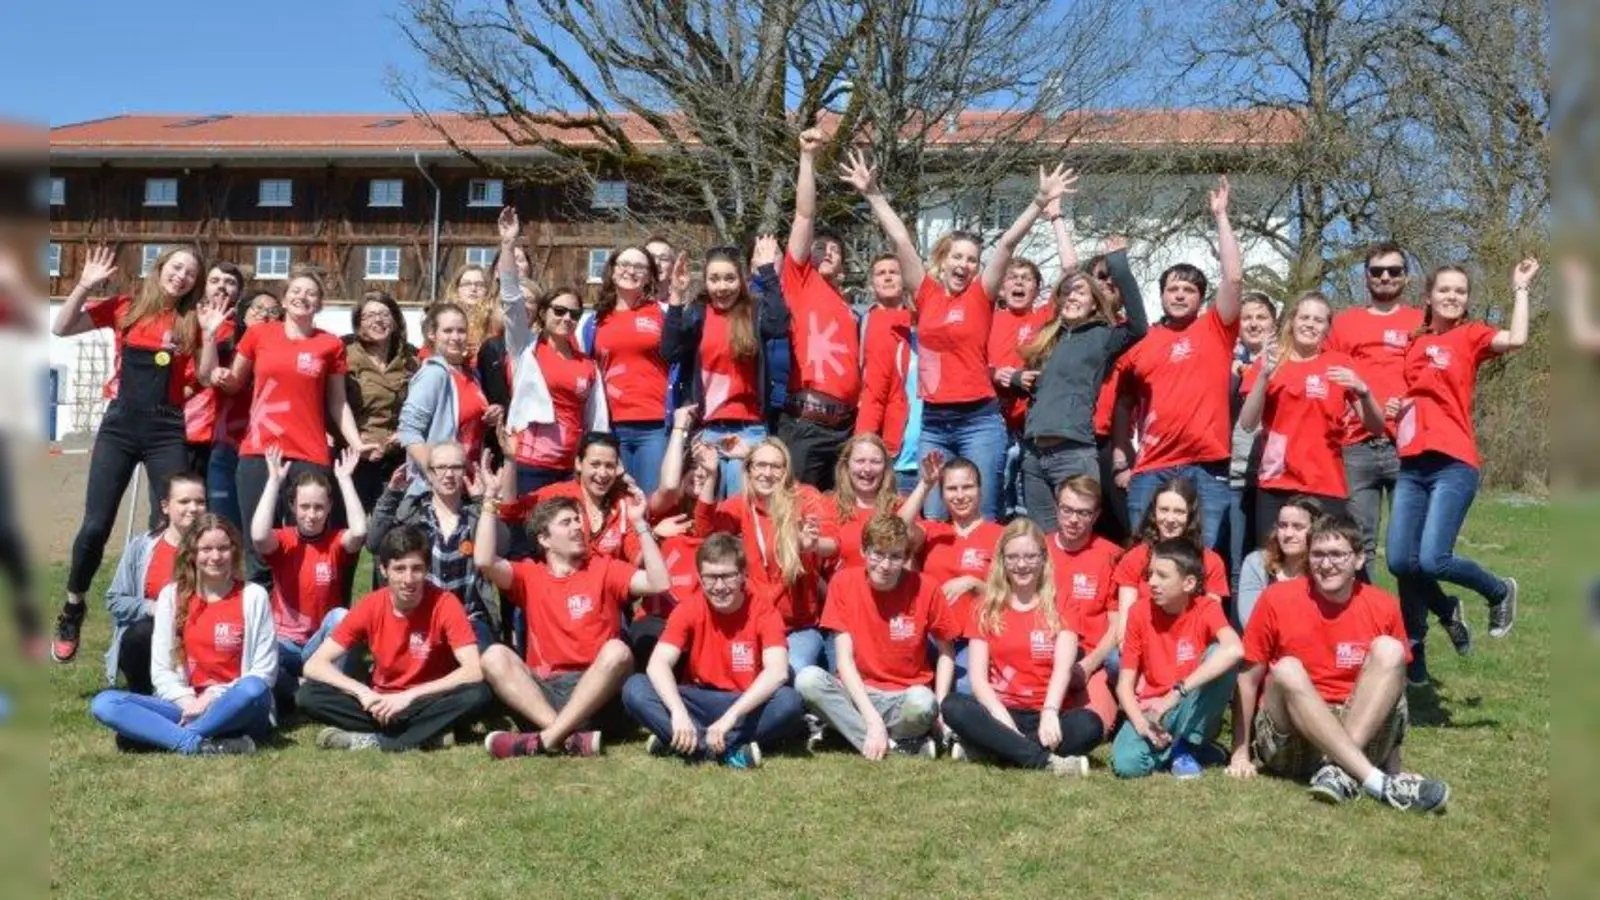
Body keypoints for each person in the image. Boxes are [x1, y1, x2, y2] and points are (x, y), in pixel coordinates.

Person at [842, 149, 1077, 521]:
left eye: (971, 259)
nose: (964, 264)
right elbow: (901, 241)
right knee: (934, 517)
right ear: (944, 259)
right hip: (934, 423)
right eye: (958, 256)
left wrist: (1038, 201)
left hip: (979, 421)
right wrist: (872, 193)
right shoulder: (926, 294)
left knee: (982, 516)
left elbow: (1007, 244)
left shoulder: (982, 295)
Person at [1229, 515, 1449, 814]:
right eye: (1318, 554)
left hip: (1362, 729)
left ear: (1358, 560)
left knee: (1390, 650)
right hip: (1292, 740)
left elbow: (1394, 688)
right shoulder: (1276, 598)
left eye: (1337, 555)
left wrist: (1395, 765)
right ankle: (1376, 782)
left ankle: (1338, 770)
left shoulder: (1383, 605)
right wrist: (1240, 753)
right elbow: (1248, 678)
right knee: (1287, 668)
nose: (1326, 564)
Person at [53, 245, 207, 662]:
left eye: (190, 273)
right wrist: (84, 285)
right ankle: (73, 606)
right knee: (95, 525)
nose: (181, 276)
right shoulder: (126, 307)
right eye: (176, 267)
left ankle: (172, 612)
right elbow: (61, 328)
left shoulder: (193, 321)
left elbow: (205, 376)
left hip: (166, 429)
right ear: (160, 267)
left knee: (175, 523)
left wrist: (197, 359)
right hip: (120, 425)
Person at [1388, 258, 1538, 683]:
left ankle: (1498, 590)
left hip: (1453, 462)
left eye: (1460, 291)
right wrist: (1398, 406)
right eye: (1445, 290)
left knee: (1434, 559)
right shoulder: (1413, 343)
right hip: (1412, 463)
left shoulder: (1471, 335)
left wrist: (1520, 288)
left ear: (1467, 299)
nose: (1452, 297)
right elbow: (1414, 395)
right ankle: (1448, 610)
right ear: (1428, 296)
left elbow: (1518, 339)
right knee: (1400, 561)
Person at [475, 480, 671, 759]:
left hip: (599, 694)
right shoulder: (530, 575)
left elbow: (659, 582)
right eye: (566, 523)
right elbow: (484, 561)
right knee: (494, 656)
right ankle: (565, 736)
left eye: (578, 521)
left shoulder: (604, 569)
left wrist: (640, 523)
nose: (578, 527)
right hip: (545, 694)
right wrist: (489, 501)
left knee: (617, 651)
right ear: (544, 540)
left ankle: (544, 739)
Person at [199, 266, 370, 585]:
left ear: (319, 303)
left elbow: (337, 403)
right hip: (260, 451)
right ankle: (262, 612)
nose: (302, 297)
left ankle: (304, 612)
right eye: (296, 291)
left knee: (307, 544)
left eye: (311, 293)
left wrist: (356, 443)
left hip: (309, 454)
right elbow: (233, 383)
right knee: (258, 544)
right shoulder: (259, 334)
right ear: (284, 298)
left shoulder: (330, 344)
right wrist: (220, 368)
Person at [1118, 177, 1244, 549]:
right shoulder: (1142, 343)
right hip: (1152, 466)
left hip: (1206, 465)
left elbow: (1234, 278)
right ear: (1161, 296)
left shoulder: (1216, 329)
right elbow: (1122, 403)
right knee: (1145, 557)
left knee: (1203, 559)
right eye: (1172, 288)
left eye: (1189, 290)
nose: (1179, 295)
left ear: (1201, 299)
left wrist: (1221, 217)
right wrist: (1121, 458)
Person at [88, 515, 276, 755]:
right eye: (206, 549)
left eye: (223, 548)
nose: (215, 556)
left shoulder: (254, 596)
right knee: (105, 702)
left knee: (253, 687)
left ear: (235, 551)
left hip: (238, 705)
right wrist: (189, 702)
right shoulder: (171, 596)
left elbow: (264, 672)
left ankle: (167, 736)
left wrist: (211, 697)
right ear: (192, 553)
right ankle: (198, 744)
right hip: (184, 705)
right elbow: (161, 671)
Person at [296, 525, 490, 751]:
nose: (409, 579)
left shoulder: (445, 604)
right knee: (308, 695)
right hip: (379, 702)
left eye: (417, 569)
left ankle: (377, 741)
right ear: (384, 570)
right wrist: (362, 692)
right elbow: (314, 665)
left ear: (427, 569)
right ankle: (427, 734)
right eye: (399, 569)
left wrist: (409, 696)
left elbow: (473, 670)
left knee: (479, 694)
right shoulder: (371, 605)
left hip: (427, 700)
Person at [622, 533, 804, 768]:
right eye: (710, 578)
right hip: (696, 699)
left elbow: (777, 672)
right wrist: (678, 713)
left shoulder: (764, 611)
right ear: (700, 577)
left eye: (727, 577)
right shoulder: (689, 608)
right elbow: (658, 663)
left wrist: (731, 717)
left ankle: (683, 743)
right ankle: (725, 749)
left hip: (745, 703)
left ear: (743, 575)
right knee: (635, 688)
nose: (719, 587)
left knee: (789, 702)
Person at [940, 519, 1100, 775]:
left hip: (1046, 711)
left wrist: (1050, 711)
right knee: (953, 706)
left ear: (1043, 558)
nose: (1022, 565)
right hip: (1000, 711)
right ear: (1002, 561)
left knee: (1090, 725)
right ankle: (1044, 761)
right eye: (1013, 557)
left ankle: (994, 750)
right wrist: (1000, 716)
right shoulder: (984, 607)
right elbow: (978, 679)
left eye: (1030, 556)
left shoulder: (1064, 603)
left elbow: (1063, 669)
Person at [797, 515, 959, 759]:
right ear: (864, 551)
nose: (885, 565)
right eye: (878, 554)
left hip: (905, 695)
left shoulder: (927, 587)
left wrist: (942, 703)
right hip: (857, 691)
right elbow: (844, 660)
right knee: (808, 679)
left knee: (924, 703)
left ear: (906, 557)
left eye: (895, 557)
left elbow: (947, 651)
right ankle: (897, 746)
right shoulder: (843, 582)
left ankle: (848, 732)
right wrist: (872, 720)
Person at [1018, 263, 1149, 534]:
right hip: (1033, 454)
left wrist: (1119, 265)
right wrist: (1019, 380)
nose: (1072, 297)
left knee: (1077, 535)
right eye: (1067, 292)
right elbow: (1040, 388)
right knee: (1045, 541)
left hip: (1073, 452)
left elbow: (1139, 326)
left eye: (1080, 292)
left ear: (1094, 304)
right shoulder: (1047, 338)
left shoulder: (1103, 336)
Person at [1238, 291, 1385, 530]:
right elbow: (1247, 423)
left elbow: (1377, 427)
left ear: (1327, 329)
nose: (1310, 324)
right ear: (1292, 321)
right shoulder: (1271, 362)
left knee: (1324, 553)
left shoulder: (1340, 363)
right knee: (1273, 553)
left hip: (1326, 484)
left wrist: (1365, 392)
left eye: (1318, 320)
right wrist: (1264, 375)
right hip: (1277, 483)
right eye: (1304, 317)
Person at [693, 437, 836, 672]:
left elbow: (833, 542)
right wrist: (710, 476)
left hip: (797, 627)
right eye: (760, 465)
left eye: (775, 467)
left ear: (786, 470)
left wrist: (811, 545)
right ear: (749, 470)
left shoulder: (804, 497)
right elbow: (704, 530)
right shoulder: (741, 504)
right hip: (754, 621)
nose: (767, 473)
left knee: (791, 669)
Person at [663, 238, 789, 498]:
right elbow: (670, 351)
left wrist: (767, 272)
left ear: (741, 280)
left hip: (750, 429)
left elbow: (779, 325)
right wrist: (676, 297)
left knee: (743, 507)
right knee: (707, 509)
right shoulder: (698, 313)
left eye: (730, 279)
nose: (722, 287)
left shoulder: (754, 311)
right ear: (706, 282)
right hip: (708, 430)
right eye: (715, 279)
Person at [1327, 242, 1426, 576]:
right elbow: (1327, 375)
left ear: (1406, 277)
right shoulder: (1344, 324)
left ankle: (1415, 613)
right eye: (1377, 271)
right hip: (1355, 446)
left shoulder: (1421, 322)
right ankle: (1363, 607)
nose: (1385, 277)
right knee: (1358, 542)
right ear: (1366, 276)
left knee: (1410, 544)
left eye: (1394, 271)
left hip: (1407, 446)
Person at [1110, 539, 1243, 779]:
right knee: (1127, 764)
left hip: (1190, 705)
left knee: (1219, 654)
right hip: (1152, 709)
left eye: (1162, 576)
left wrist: (1175, 695)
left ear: (1188, 583)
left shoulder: (1206, 608)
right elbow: (1124, 685)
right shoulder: (1138, 612)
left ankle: (1186, 746)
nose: (1152, 582)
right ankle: (1187, 752)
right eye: (1150, 574)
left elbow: (1235, 649)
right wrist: (1142, 725)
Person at [776, 128, 863, 488]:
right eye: (819, 247)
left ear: (842, 263)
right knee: (797, 509)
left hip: (844, 429)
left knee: (837, 513)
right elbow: (804, 216)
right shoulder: (799, 280)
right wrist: (807, 158)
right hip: (806, 424)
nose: (826, 251)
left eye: (834, 249)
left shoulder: (850, 309)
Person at [250, 446, 368, 707]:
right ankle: (304, 687)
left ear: (329, 508)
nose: (311, 515)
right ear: (293, 506)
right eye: (304, 506)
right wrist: (273, 482)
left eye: (318, 507)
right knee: (256, 648)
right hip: (284, 644)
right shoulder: (283, 540)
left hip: (321, 646)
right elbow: (258, 535)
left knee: (342, 616)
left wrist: (345, 480)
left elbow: (359, 531)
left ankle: (323, 686)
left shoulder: (336, 541)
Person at [369, 442, 509, 651]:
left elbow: (503, 547)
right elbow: (374, 543)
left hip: (469, 617)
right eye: (441, 467)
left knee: (488, 662)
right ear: (430, 473)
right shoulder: (411, 515)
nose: (449, 474)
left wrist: (484, 501)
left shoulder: (475, 516)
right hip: (420, 616)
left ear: (465, 471)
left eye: (456, 467)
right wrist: (391, 495)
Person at [898, 452, 1004, 692]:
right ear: (942, 494)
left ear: (980, 490)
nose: (960, 495)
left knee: (965, 688)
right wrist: (926, 484)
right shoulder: (932, 531)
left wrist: (974, 584)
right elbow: (898, 528)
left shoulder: (1000, 536)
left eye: (967, 487)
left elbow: (1013, 597)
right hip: (930, 634)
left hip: (975, 638)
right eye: (951, 489)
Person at [1111, 478, 1231, 683]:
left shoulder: (1210, 561)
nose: (1170, 519)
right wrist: (1147, 672)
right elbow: (1124, 629)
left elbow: (1213, 627)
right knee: (1115, 661)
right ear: (1154, 513)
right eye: (1164, 510)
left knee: (1216, 655)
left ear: (1190, 515)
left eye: (1179, 512)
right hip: (1145, 648)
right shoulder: (1135, 558)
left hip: (1190, 650)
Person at [102, 472, 208, 695]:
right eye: (184, 501)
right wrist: (151, 607)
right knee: (137, 635)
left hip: (202, 629)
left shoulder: (216, 548)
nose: (193, 508)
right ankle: (142, 695)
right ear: (165, 506)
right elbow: (114, 600)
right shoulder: (141, 547)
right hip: (154, 631)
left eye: (200, 501)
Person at [505, 284, 609, 493]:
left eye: (575, 314)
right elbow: (511, 304)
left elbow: (597, 420)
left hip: (570, 466)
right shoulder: (526, 349)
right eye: (559, 311)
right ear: (543, 313)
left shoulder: (588, 364)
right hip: (530, 462)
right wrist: (507, 262)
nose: (567, 318)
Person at [583, 246, 670, 495]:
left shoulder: (663, 313)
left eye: (639, 267)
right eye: (624, 264)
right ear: (612, 271)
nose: (630, 271)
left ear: (650, 275)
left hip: (654, 424)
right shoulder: (593, 321)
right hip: (609, 426)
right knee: (613, 500)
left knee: (652, 498)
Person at [1043, 476, 1123, 739]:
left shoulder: (1111, 555)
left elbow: (1117, 625)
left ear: (1096, 515)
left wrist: (1088, 666)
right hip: (1042, 657)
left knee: (1093, 727)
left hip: (1090, 660)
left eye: (1083, 513)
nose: (1073, 520)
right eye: (1067, 510)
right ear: (1056, 508)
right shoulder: (1037, 551)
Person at [397, 302, 500, 494]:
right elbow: (409, 431)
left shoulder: (472, 375)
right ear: (432, 334)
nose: (455, 337)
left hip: (469, 485)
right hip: (437, 490)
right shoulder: (433, 374)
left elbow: (466, 426)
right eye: (448, 330)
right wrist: (435, 474)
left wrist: (491, 417)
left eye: (461, 331)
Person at [1085, 237, 1147, 543]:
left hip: (1113, 444)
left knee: (1126, 530)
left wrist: (1119, 264)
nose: (1109, 282)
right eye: (1101, 276)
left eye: (1114, 277)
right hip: (1076, 442)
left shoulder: (1129, 334)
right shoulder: (1072, 331)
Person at [205, 290, 282, 528]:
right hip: (226, 445)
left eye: (273, 311)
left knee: (261, 526)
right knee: (222, 523)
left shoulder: (282, 357)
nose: (265, 315)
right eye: (258, 308)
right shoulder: (224, 350)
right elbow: (204, 376)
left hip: (266, 450)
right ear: (243, 313)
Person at [343, 290, 418, 516]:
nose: (378, 320)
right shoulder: (344, 356)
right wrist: (356, 440)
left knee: (392, 525)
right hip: (353, 454)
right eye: (369, 316)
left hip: (396, 455)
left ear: (395, 321)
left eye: (385, 314)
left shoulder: (410, 358)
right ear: (358, 324)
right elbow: (333, 405)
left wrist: (405, 433)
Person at [989, 257, 1051, 520]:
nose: (1019, 283)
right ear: (1001, 287)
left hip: (1031, 422)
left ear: (1037, 289)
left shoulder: (1044, 318)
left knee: (1029, 493)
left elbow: (1070, 270)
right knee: (998, 489)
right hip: (994, 419)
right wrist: (994, 374)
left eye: (1026, 279)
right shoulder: (988, 319)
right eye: (1012, 277)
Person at [1227, 292, 1278, 590]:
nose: (1254, 324)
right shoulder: (1227, 363)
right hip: (1234, 473)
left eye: (1261, 317)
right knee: (1236, 563)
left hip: (1271, 476)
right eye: (1247, 318)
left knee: (1268, 561)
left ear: (1274, 323)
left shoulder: (1285, 359)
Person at [182, 262, 244, 481]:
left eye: (230, 282)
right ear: (204, 287)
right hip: (189, 425)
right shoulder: (188, 322)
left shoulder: (244, 331)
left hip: (228, 430)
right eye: (215, 281)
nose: (222, 286)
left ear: (239, 292)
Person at [855, 253, 915, 477]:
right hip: (884, 436)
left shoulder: (918, 320)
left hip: (919, 433)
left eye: (894, 272)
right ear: (872, 284)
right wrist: (862, 442)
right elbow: (873, 391)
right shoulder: (869, 321)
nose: (888, 277)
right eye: (881, 273)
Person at [1235, 495, 1321, 629]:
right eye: (1283, 526)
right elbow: (1251, 622)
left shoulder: (1324, 567)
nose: (1288, 534)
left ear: (1315, 530)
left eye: (1298, 527)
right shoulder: (1257, 563)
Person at [823, 433, 903, 570]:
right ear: (846, 465)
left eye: (875, 462)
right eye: (860, 461)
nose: (867, 469)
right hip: (842, 582)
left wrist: (925, 485)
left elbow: (913, 546)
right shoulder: (828, 504)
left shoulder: (900, 506)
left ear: (885, 467)